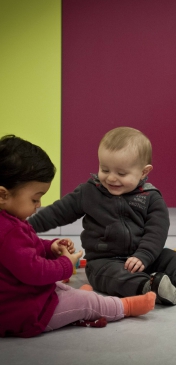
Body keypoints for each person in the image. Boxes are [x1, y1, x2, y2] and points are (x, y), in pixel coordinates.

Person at [29, 127, 176, 306]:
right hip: (104, 261)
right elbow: (58, 212)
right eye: (104, 169)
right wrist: (27, 226)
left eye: (121, 173)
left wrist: (144, 255)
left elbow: (157, 230)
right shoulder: (89, 192)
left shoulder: (151, 197)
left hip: (144, 257)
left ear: (143, 172)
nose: (111, 177)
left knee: (171, 257)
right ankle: (150, 288)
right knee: (113, 276)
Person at [0, 135, 156, 338]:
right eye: (35, 199)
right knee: (86, 303)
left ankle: (76, 297)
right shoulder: (9, 230)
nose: (38, 205)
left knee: (59, 287)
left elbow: (24, 249)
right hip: (26, 315)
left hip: (16, 300)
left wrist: (50, 247)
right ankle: (124, 307)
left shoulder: (8, 220)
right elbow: (34, 271)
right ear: (3, 195)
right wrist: (66, 264)